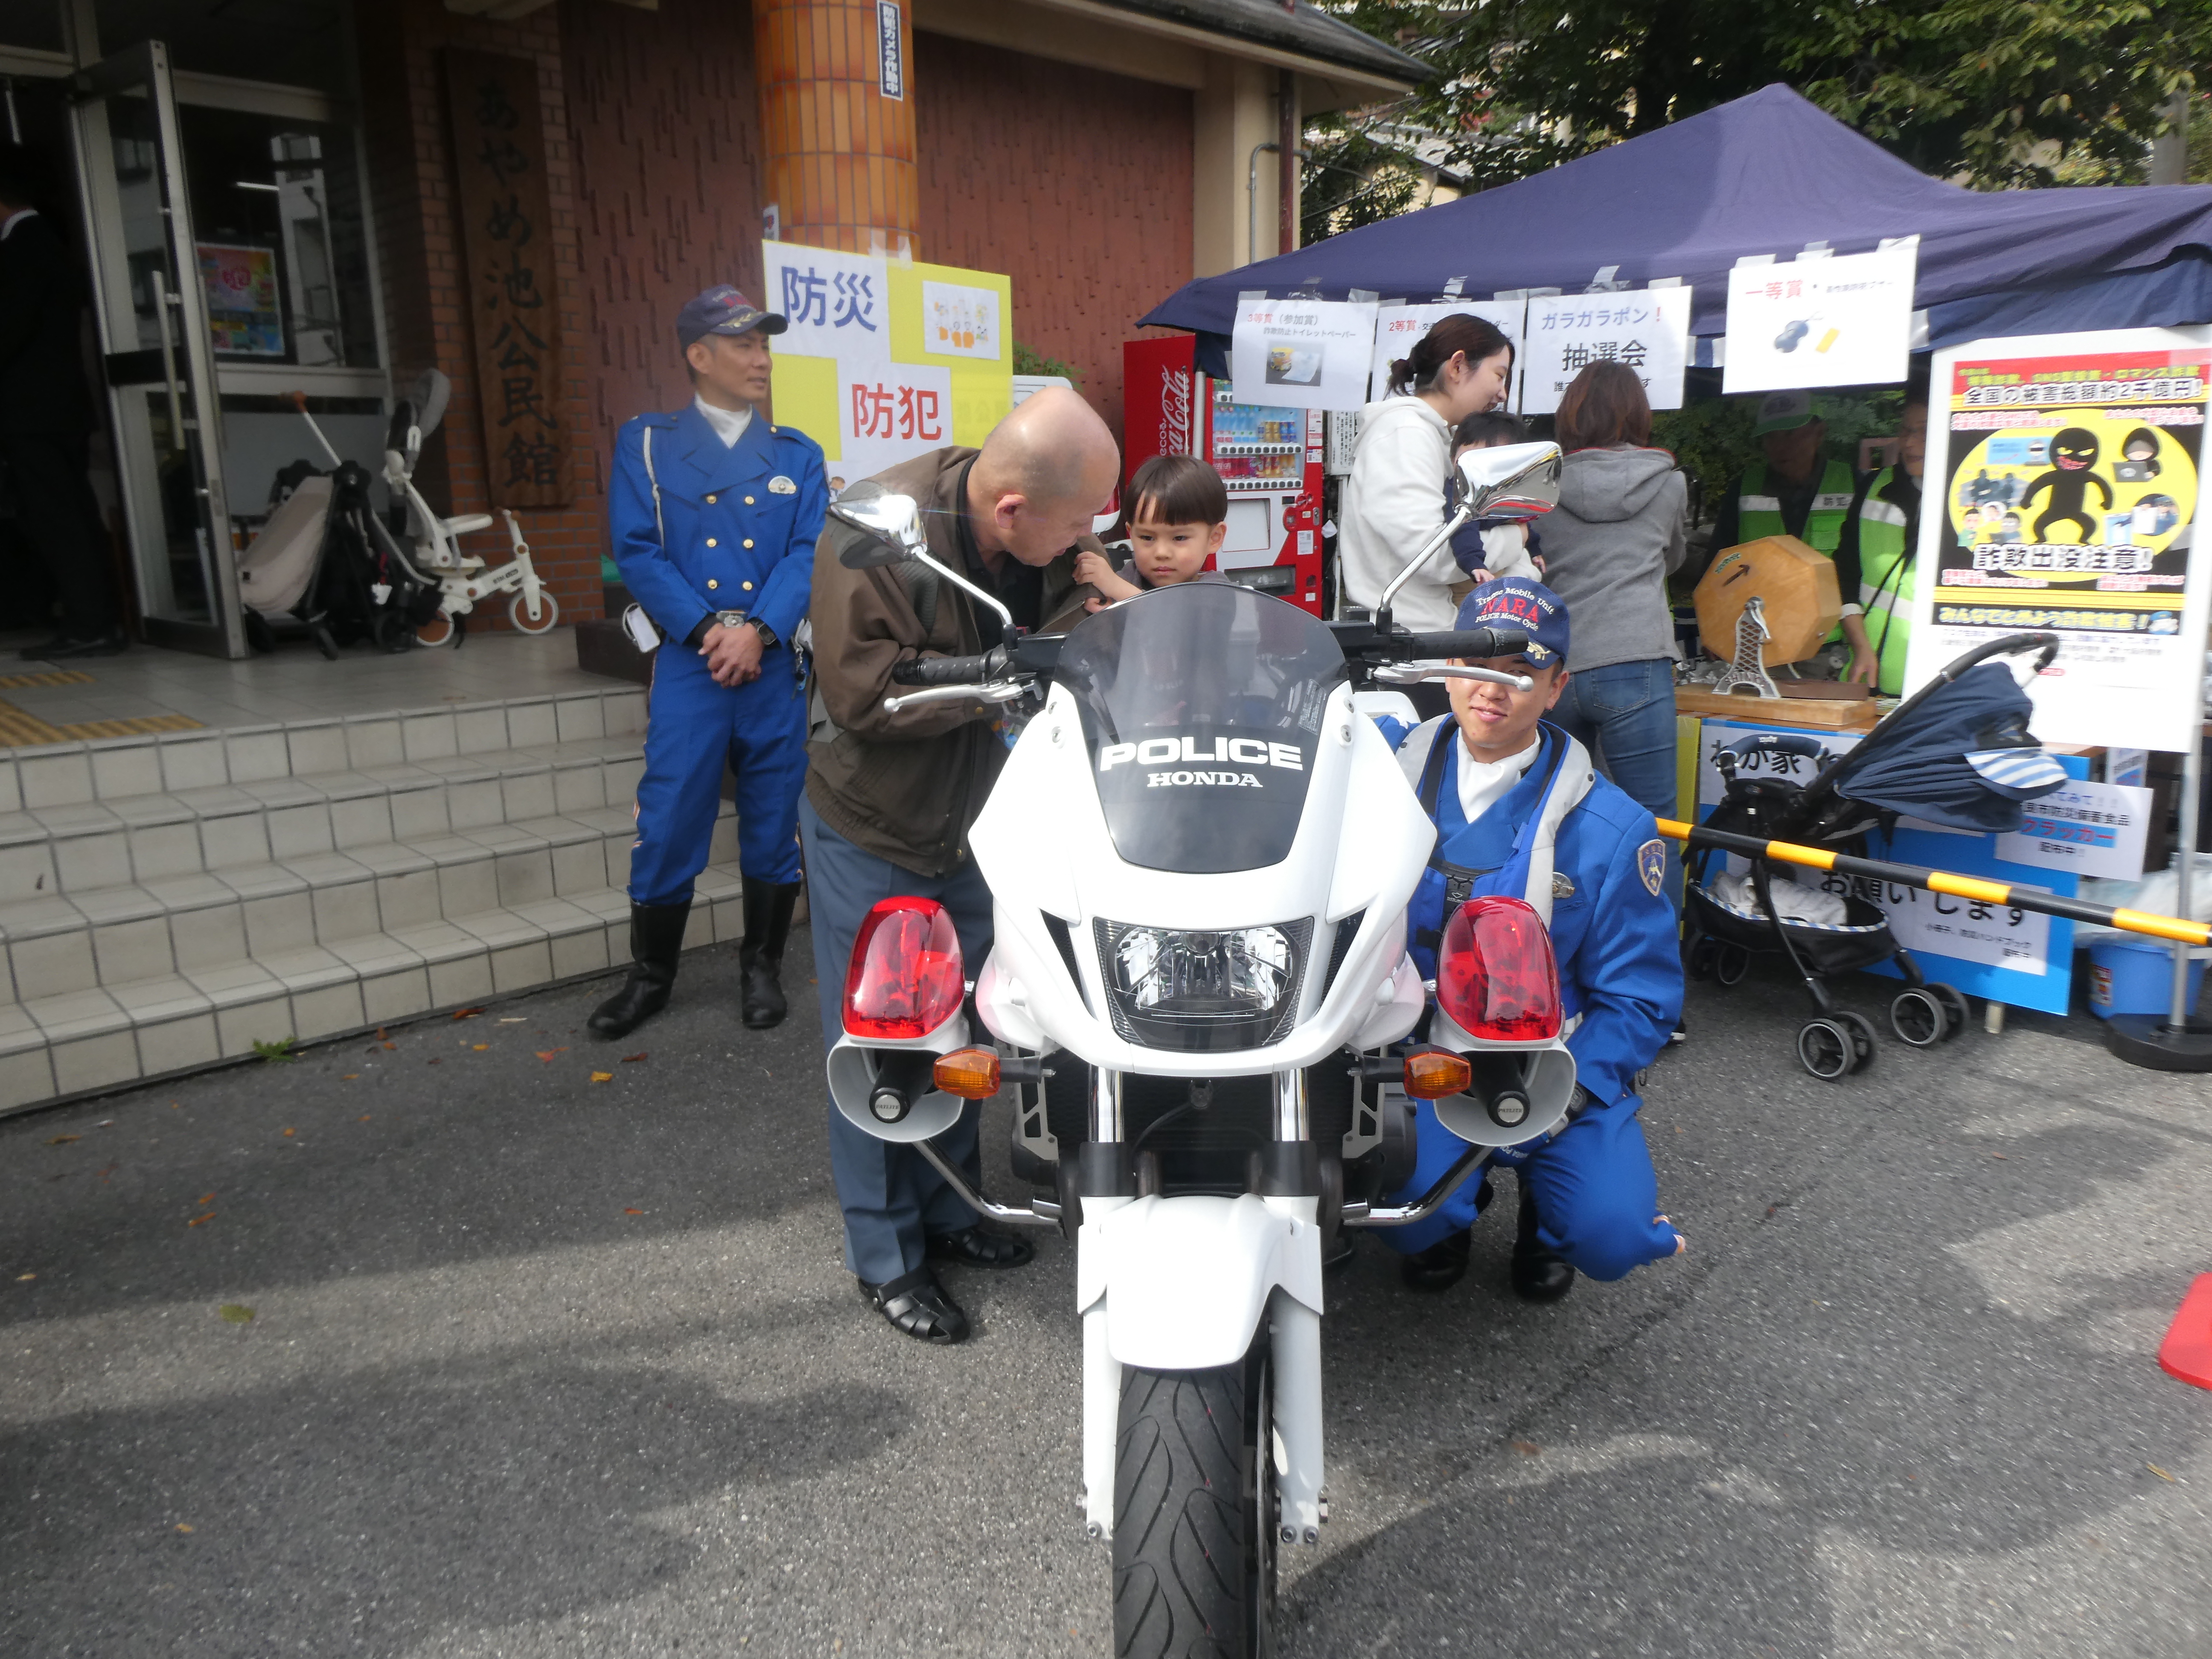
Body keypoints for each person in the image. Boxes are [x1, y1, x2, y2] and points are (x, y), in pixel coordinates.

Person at [806, 387, 1115, 1344]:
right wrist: (999, 686)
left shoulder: (1046, 544)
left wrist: (1109, 592)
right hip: (878, 826)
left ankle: (951, 1212)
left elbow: (1074, 631)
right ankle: (887, 1255)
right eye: (1075, 524)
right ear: (1012, 510)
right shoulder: (875, 531)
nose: (1084, 541)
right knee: (884, 1041)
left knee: (961, 1029)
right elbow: (864, 694)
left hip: (977, 823)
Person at [1377, 576, 1685, 1297]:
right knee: (1397, 1204)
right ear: (1448, 671)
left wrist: (1567, 1096)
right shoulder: (1378, 777)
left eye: (1520, 675)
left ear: (1556, 688)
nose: (1492, 691)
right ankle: (1446, 1216)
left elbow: (1637, 998)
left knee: (1608, 1234)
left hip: (1550, 1058)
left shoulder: (1612, 828)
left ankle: (1545, 1221)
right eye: (1477, 668)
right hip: (1416, 1055)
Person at [591, 285, 827, 1039]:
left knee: (772, 817)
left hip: (770, 661)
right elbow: (637, 550)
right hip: (694, 663)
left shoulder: (797, 454)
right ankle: (651, 975)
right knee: (668, 818)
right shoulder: (649, 444)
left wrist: (758, 630)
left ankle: (761, 967)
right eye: (743, 345)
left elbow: (804, 553)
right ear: (698, 356)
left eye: (764, 345)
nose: (761, 359)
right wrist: (707, 630)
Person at [1528, 362, 1687, 881]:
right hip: (1637, 658)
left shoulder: (1541, 488)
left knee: (1556, 817)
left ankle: (1561, 951)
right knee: (1655, 826)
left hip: (1561, 666)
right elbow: (1674, 557)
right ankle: (1654, 959)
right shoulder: (1670, 484)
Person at [1337, 314, 1515, 716]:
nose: (1502, 393)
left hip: (1426, 651)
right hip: (1410, 662)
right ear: (1457, 366)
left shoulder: (1431, 435)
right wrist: (1515, 540)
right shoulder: (1405, 434)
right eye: (1498, 374)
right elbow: (1431, 554)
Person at [0, 166, 123, 658]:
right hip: (55, 411)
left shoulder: (24, 248)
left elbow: (9, 330)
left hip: (35, 413)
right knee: (71, 515)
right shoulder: (45, 244)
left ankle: (89, 623)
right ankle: (96, 620)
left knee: (59, 518)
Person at [1834, 386, 1927, 695]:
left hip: (1938, 686)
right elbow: (1844, 573)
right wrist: (1860, 646)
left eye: (1924, 433)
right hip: (1869, 680)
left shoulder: (1979, 502)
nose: (1910, 443)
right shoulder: (1875, 485)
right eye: (1905, 430)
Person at [1710, 390, 1860, 563]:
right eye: (1771, 437)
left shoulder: (1855, 484)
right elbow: (1718, 567)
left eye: (1790, 434)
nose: (1780, 446)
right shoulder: (1742, 490)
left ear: (1819, 434)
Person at [1072, 454, 1226, 607]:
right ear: (1131, 534)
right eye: (1147, 538)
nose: (1161, 553)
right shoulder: (1127, 578)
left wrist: (1117, 588)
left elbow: (1181, 622)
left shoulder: (1217, 591)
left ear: (1214, 538)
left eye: (1179, 538)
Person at [1447, 410, 1543, 588]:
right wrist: (1474, 563)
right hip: (1470, 573)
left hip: (1496, 566)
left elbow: (1518, 521)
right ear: (1453, 458)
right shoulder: (1459, 493)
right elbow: (1462, 528)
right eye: (1468, 459)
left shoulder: (1500, 493)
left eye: (1490, 462)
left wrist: (1534, 549)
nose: (1476, 468)